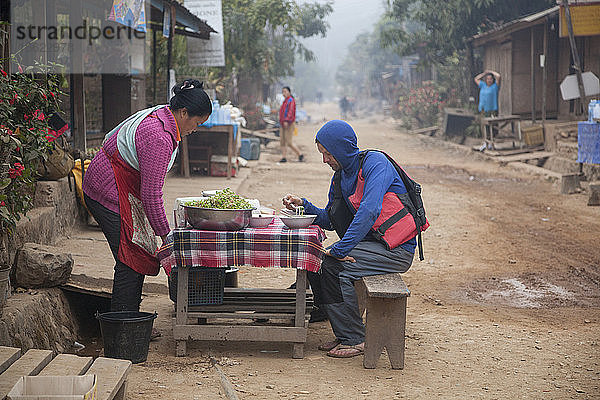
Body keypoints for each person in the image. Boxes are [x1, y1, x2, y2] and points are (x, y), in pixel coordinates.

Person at [282, 120, 419, 358]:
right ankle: (344, 331)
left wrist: (340, 248)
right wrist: (303, 206)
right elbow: (330, 219)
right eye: (322, 154)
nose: (325, 159)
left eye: (328, 153)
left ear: (343, 149)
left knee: (333, 267)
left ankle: (356, 338)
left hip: (395, 250)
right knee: (317, 261)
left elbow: (369, 210)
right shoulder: (341, 176)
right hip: (370, 246)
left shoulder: (376, 164)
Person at [83, 80, 212, 321]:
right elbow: (151, 196)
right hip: (107, 191)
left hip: (119, 187)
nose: (195, 129)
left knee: (138, 252)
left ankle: (130, 318)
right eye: (197, 123)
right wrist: (166, 237)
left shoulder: (164, 114)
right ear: (183, 113)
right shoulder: (159, 137)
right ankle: (123, 326)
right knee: (130, 258)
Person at [278, 86, 304, 163]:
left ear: (289, 92)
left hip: (288, 123)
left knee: (289, 142)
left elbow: (290, 112)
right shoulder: (284, 101)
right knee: (282, 141)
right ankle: (284, 157)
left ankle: (300, 154)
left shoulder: (291, 100)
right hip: (282, 123)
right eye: (283, 92)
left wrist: (286, 120)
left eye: (285, 92)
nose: (284, 93)